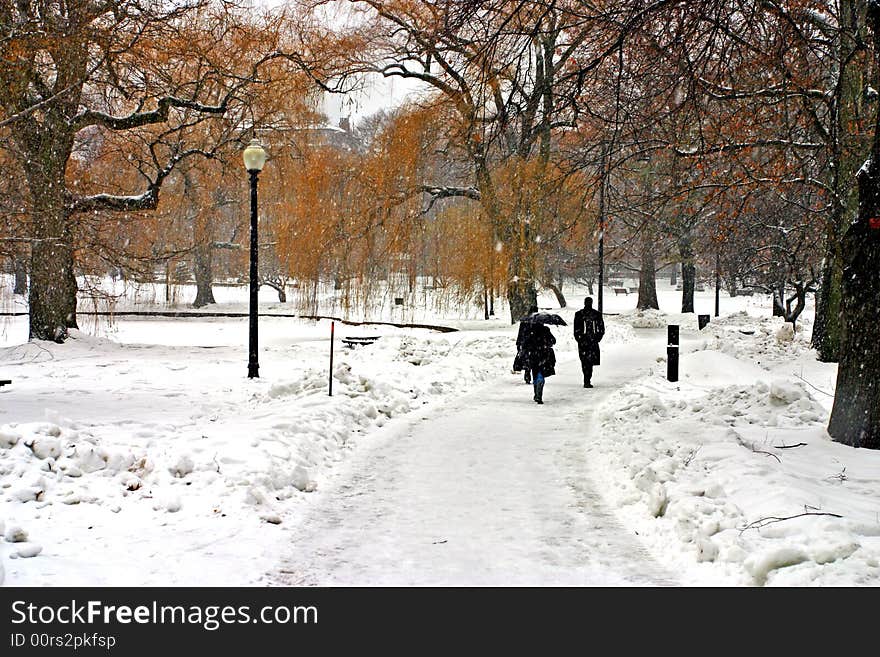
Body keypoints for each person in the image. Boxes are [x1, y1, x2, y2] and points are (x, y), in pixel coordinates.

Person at [573, 296, 605, 388]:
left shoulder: (596, 314)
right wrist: (580, 338)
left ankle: (587, 378)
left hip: (589, 341)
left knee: (587, 361)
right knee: (586, 361)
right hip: (587, 341)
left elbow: (601, 328)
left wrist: (597, 338)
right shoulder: (580, 314)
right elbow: (576, 329)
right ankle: (587, 378)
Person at [522, 322, 556, 404]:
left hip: (533, 356)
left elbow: (525, 344)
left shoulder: (530, 331)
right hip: (544, 356)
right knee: (541, 374)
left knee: (535, 374)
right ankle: (539, 393)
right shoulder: (546, 330)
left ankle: (537, 393)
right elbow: (553, 341)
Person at [514, 305, 539, 383]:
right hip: (534, 344)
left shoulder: (525, 321)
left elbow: (520, 333)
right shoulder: (538, 321)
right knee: (534, 360)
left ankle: (527, 372)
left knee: (527, 359)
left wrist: (519, 344)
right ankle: (533, 374)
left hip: (526, 343)